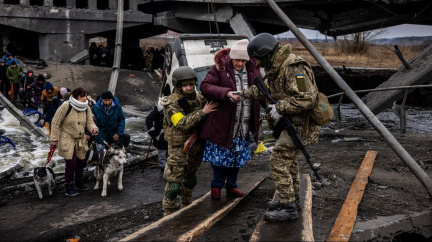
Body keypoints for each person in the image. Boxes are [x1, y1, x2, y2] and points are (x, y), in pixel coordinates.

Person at [246, 33, 321, 221]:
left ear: (266, 54)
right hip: (290, 124)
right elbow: (265, 90)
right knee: (288, 162)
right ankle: (292, 200)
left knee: (278, 160)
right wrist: (241, 94)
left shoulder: (293, 67)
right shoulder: (277, 68)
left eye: (258, 59)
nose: (258, 65)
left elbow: (307, 98)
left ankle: (288, 208)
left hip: (301, 126)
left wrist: (279, 107)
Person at [199, 39, 262, 200]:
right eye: (237, 60)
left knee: (237, 157)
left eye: (243, 60)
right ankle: (216, 186)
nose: (240, 63)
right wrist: (226, 93)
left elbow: (261, 90)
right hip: (222, 124)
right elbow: (205, 87)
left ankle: (232, 185)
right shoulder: (219, 69)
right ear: (231, 58)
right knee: (220, 158)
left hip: (243, 125)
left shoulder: (253, 70)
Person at [160, 66, 217, 216]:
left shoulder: (199, 98)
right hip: (179, 149)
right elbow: (181, 123)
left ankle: (186, 208)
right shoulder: (171, 103)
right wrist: (203, 112)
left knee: (190, 180)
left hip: (196, 147)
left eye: (191, 84)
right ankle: (168, 214)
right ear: (178, 86)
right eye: (185, 85)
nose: (189, 88)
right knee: (174, 185)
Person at [50, 87, 99, 196]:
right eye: (83, 96)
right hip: (67, 137)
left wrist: (94, 129)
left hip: (81, 138)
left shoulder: (86, 107)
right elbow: (55, 123)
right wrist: (53, 138)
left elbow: (90, 122)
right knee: (71, 163)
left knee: (81, 161)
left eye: (86, 96)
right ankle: (68, 186)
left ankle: (79, 182)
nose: (85, 98)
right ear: (76, 96)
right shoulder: (65, 106)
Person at [145, 98, 168, 173]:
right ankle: (163, 169)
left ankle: (168, 168)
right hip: (160, 136)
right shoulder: (159, 109)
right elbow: (149, 119)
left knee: (169, 154)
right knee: (162, 153)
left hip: (171, 135)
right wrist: (152, 131)